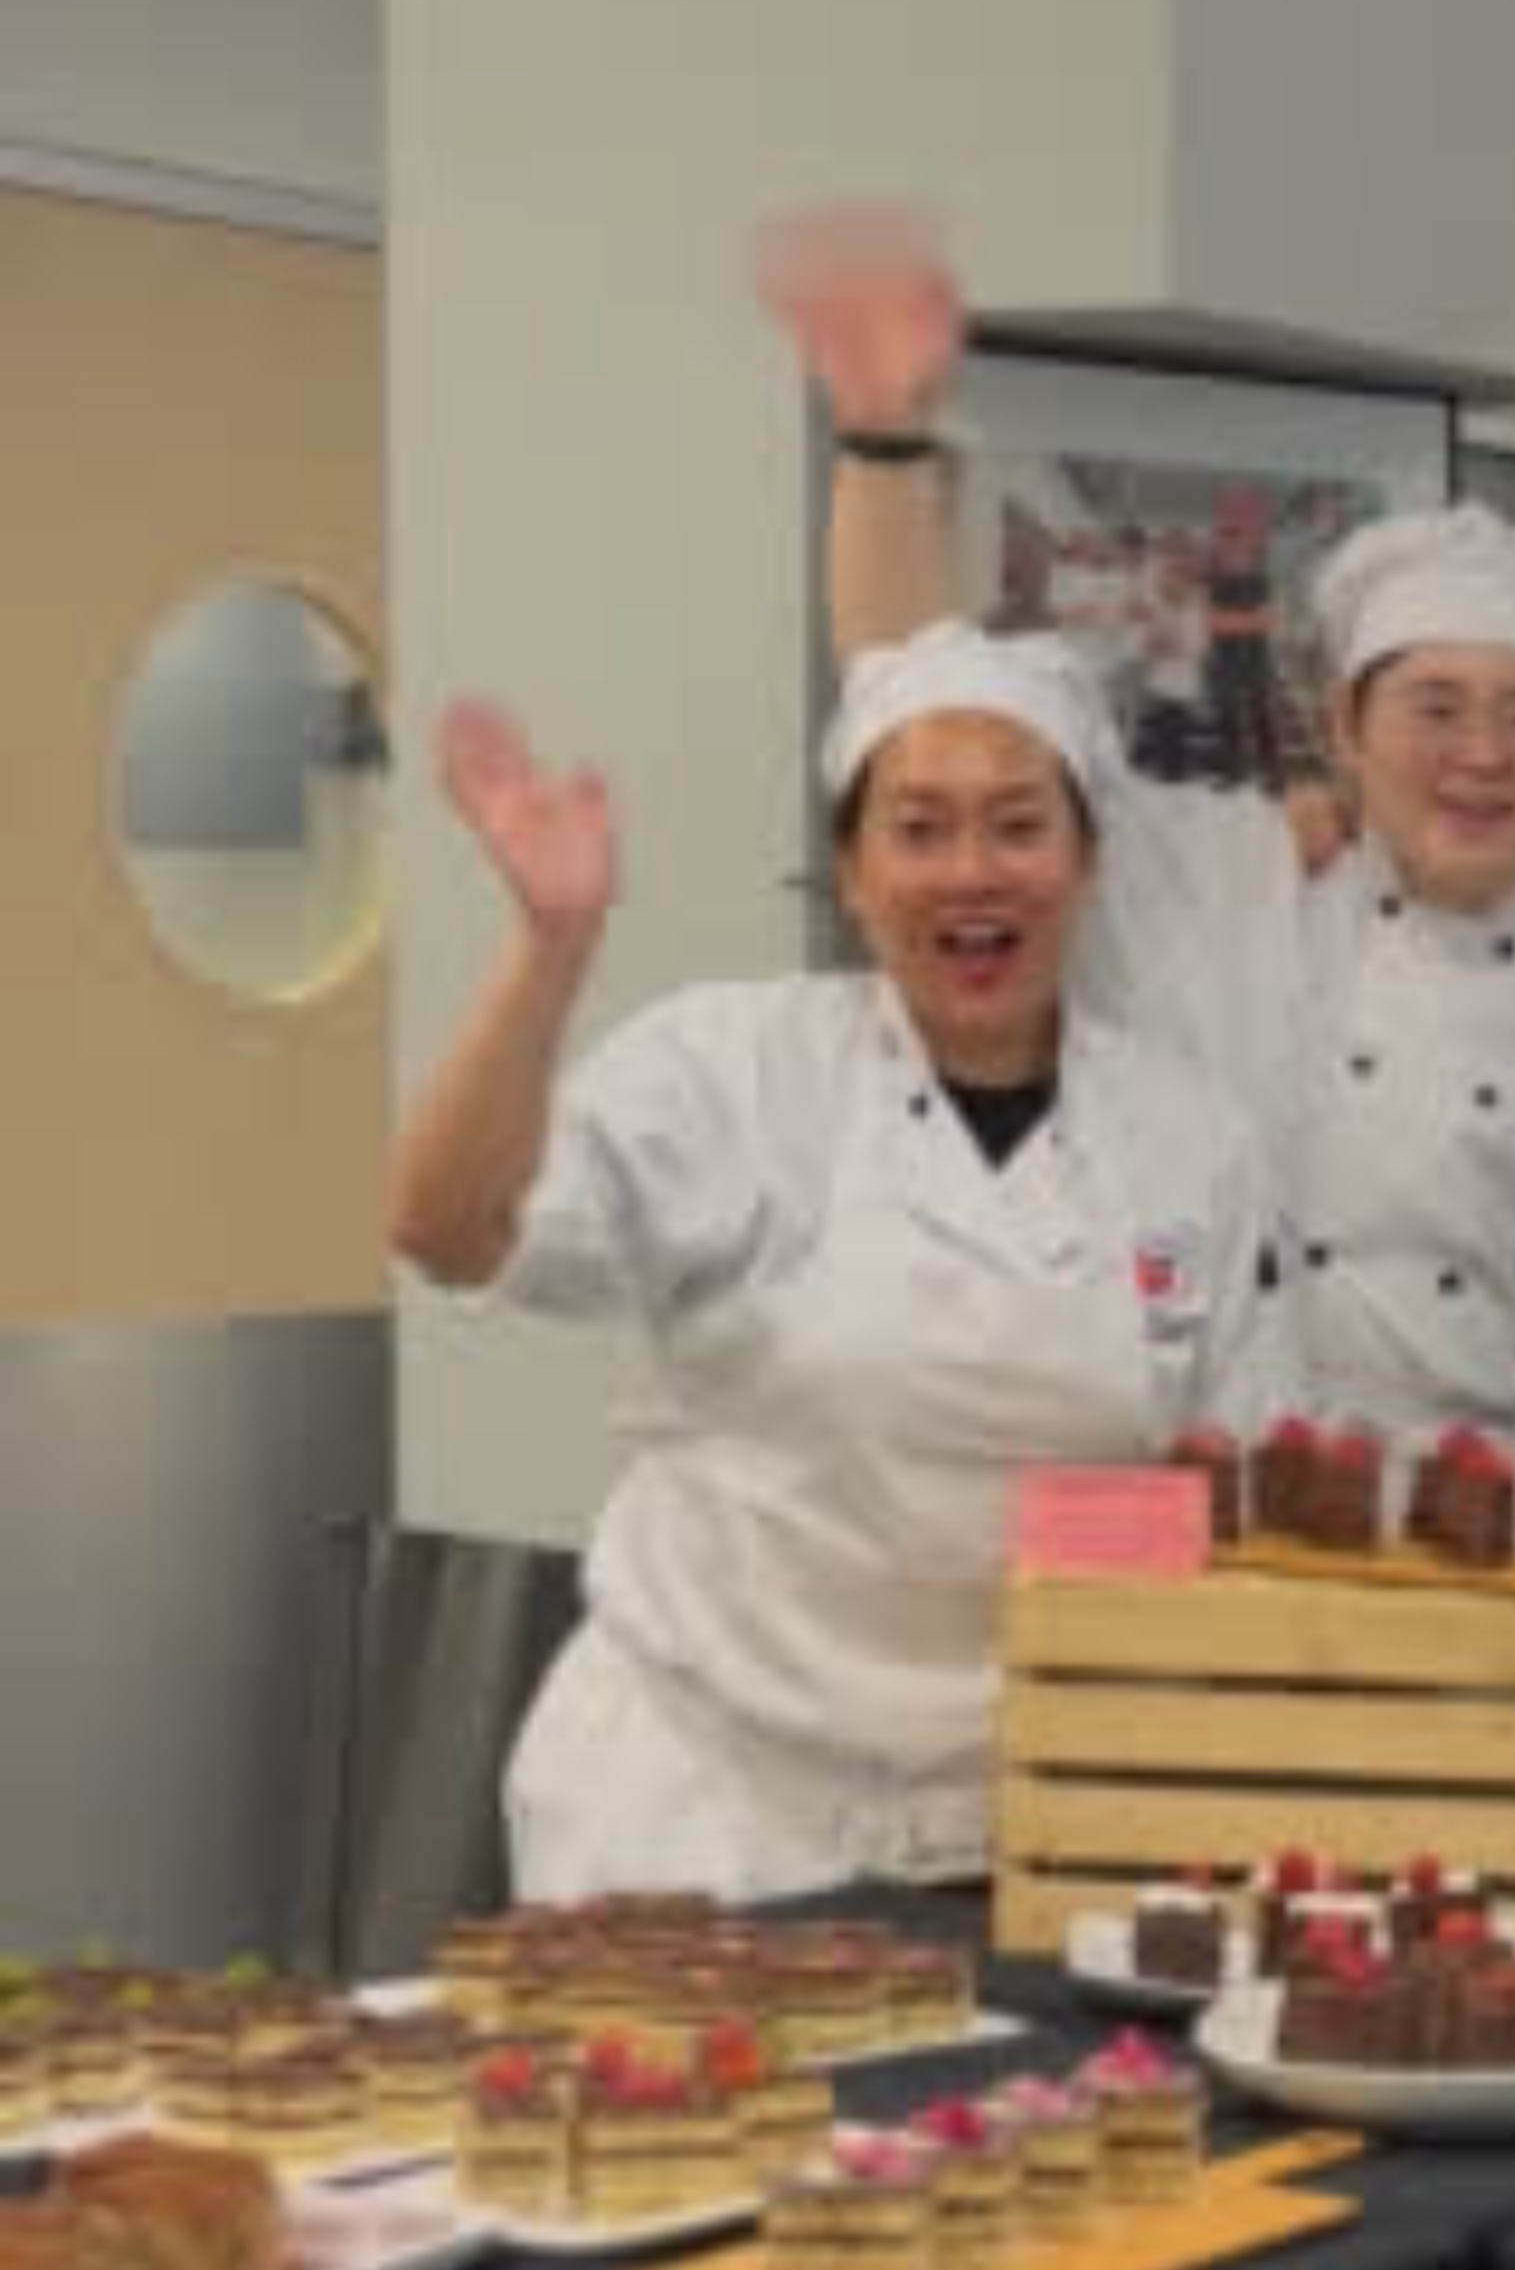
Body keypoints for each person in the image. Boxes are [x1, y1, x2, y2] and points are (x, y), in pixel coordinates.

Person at [778, 217, 1515, 1520]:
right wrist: (885, 438)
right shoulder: (1211, 875)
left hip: (1467, 1576)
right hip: (1161, 1533)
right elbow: (926, 696)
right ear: (1341, 727)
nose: (1483, 755)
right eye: (1435, 707)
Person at [390, 640, 1278, 1902]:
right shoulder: (732, 1070)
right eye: (919, 828)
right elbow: (449, 1227)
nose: (973, 869)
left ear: (1088, 863)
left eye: (1019, 825)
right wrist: (550, 951)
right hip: (706, 1815)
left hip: (1038, 1826)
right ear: (854, 876)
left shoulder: (1191, 1138)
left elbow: (1225, 1486)